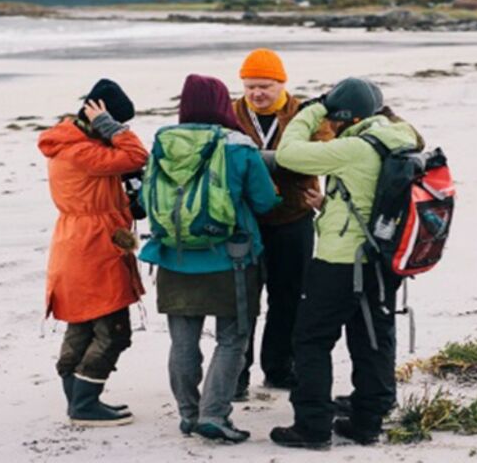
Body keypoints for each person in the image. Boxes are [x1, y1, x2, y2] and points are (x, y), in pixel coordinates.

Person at [269, 78, 421, 449]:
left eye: (333, 118)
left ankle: (312, 426)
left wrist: (311, 108)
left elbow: (288, 153)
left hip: (341, 261)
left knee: (311, 340)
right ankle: (368, 421)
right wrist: (328, 206)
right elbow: (370, 197)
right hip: (383, 258)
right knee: (372, 337)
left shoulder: (355, 147)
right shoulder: (400, 140)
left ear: (345, 117)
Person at [139, 74, 280, 443]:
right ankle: (214, 415)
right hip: (231, 259)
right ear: (222, 104)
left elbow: (143, 202)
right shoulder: (238, 146)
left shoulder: (163, 143)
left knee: (183, 342)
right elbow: (265, 201)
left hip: (173, 257)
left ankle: (188, 414)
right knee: (232, 339)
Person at [37, 78, 149, 427]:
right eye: (118, 122)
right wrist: (110, 127)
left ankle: (79, 397)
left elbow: (118, 174)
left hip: (77, 240)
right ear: (100, 117)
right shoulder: (81, 150)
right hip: (93, 245)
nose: (122, 130)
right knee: (113, 328)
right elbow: (137, 154)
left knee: (83, 322)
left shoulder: (70, 143)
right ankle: (85, 403)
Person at [229, 48, 321, 399]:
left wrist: (258, 162)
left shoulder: (304, 113)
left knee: (289, 298)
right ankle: (237, 373)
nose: (256, 94)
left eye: (264, 86)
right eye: (250, 86)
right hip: (246, 220)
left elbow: (317, 157)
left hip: (293, 217)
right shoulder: (233, 113)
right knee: (243, 301)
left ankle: (280, 368)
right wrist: (279, 162)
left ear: (281, 83)